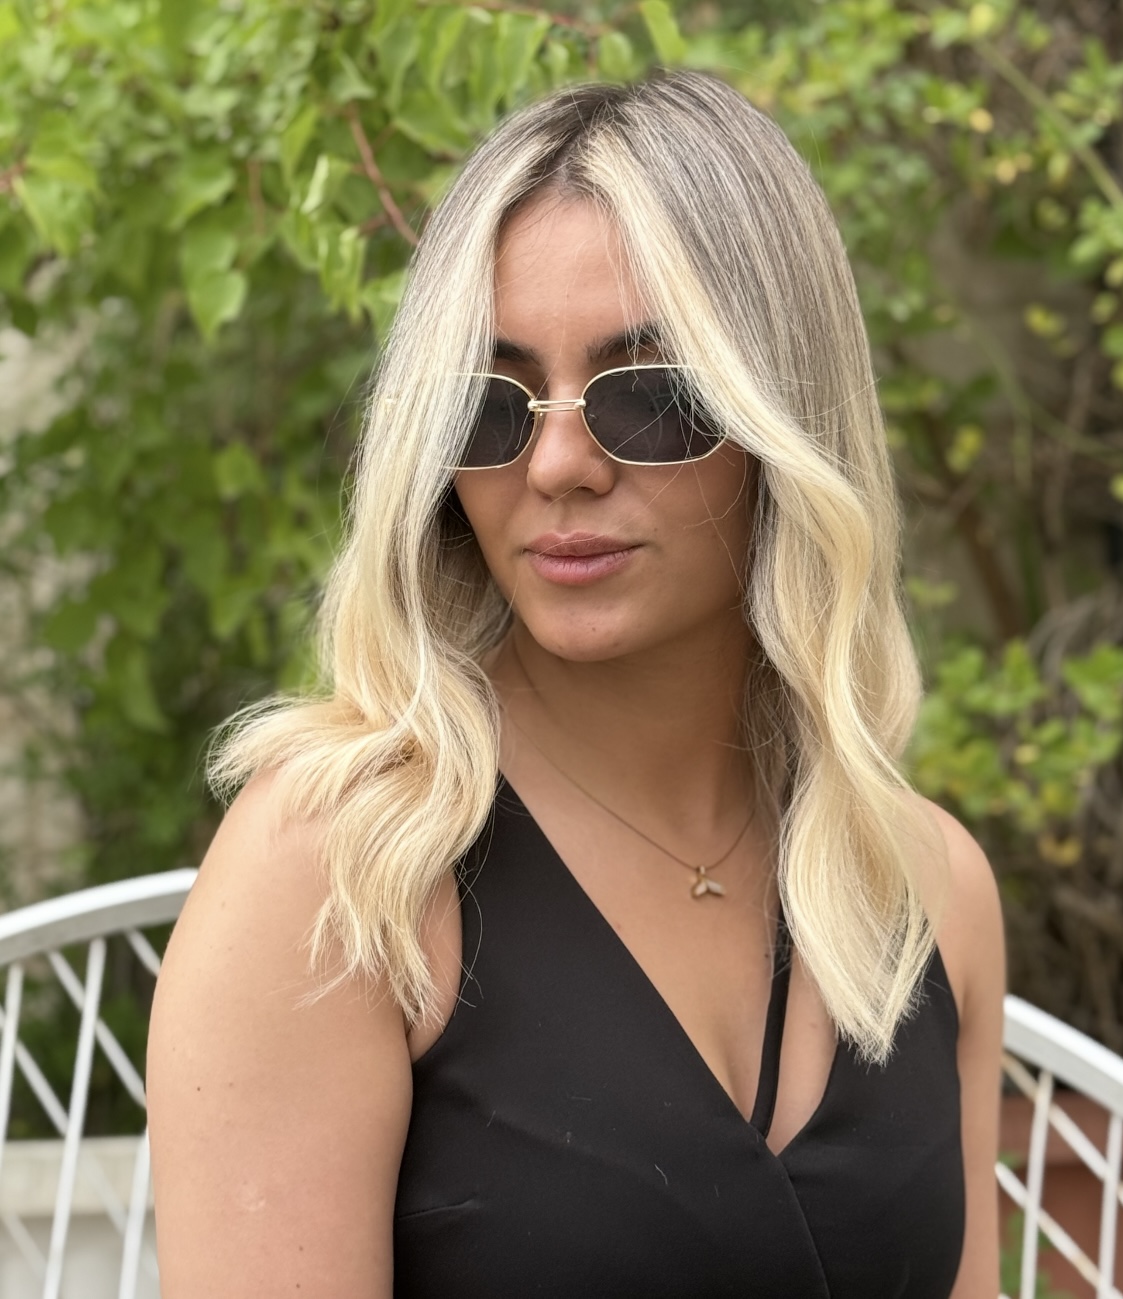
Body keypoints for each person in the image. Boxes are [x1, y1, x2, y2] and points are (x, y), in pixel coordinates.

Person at [147, 70, 1005, 1297]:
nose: (557, 463)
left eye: (647, 397)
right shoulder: (343, 877)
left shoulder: (928, 891)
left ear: (785, 419)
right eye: (490, 404)